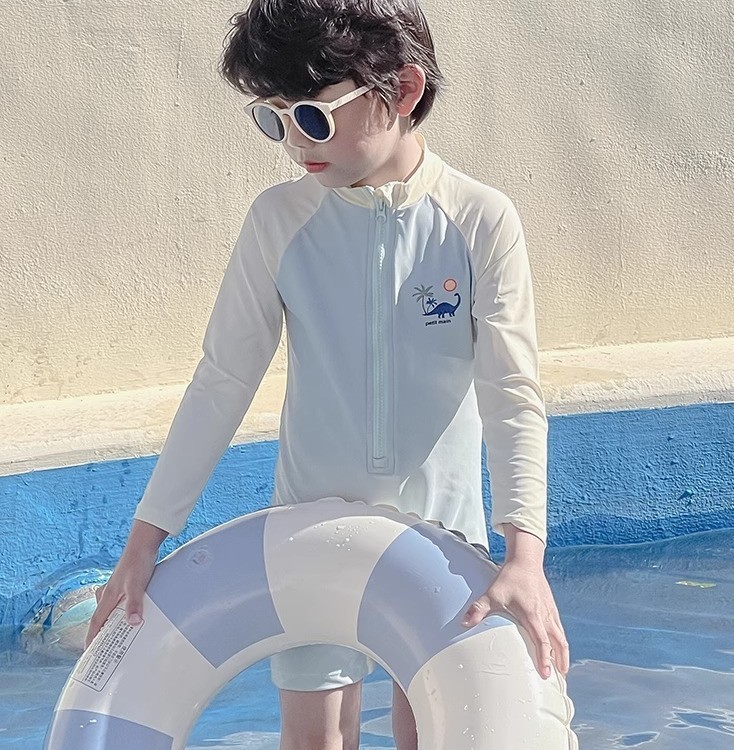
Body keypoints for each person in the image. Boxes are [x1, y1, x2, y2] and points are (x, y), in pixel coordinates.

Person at [86, 1, 571, 748]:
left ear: (401, 90)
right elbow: (222, 382)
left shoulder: (479, 220)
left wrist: (524, 555)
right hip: (308, 531)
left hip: (441, 534)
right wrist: (144, 541)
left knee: (436, 731)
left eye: (313, 117)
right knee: (315, 740)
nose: (295, 145)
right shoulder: (278, 222)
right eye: (274, 119)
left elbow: (511, 395)